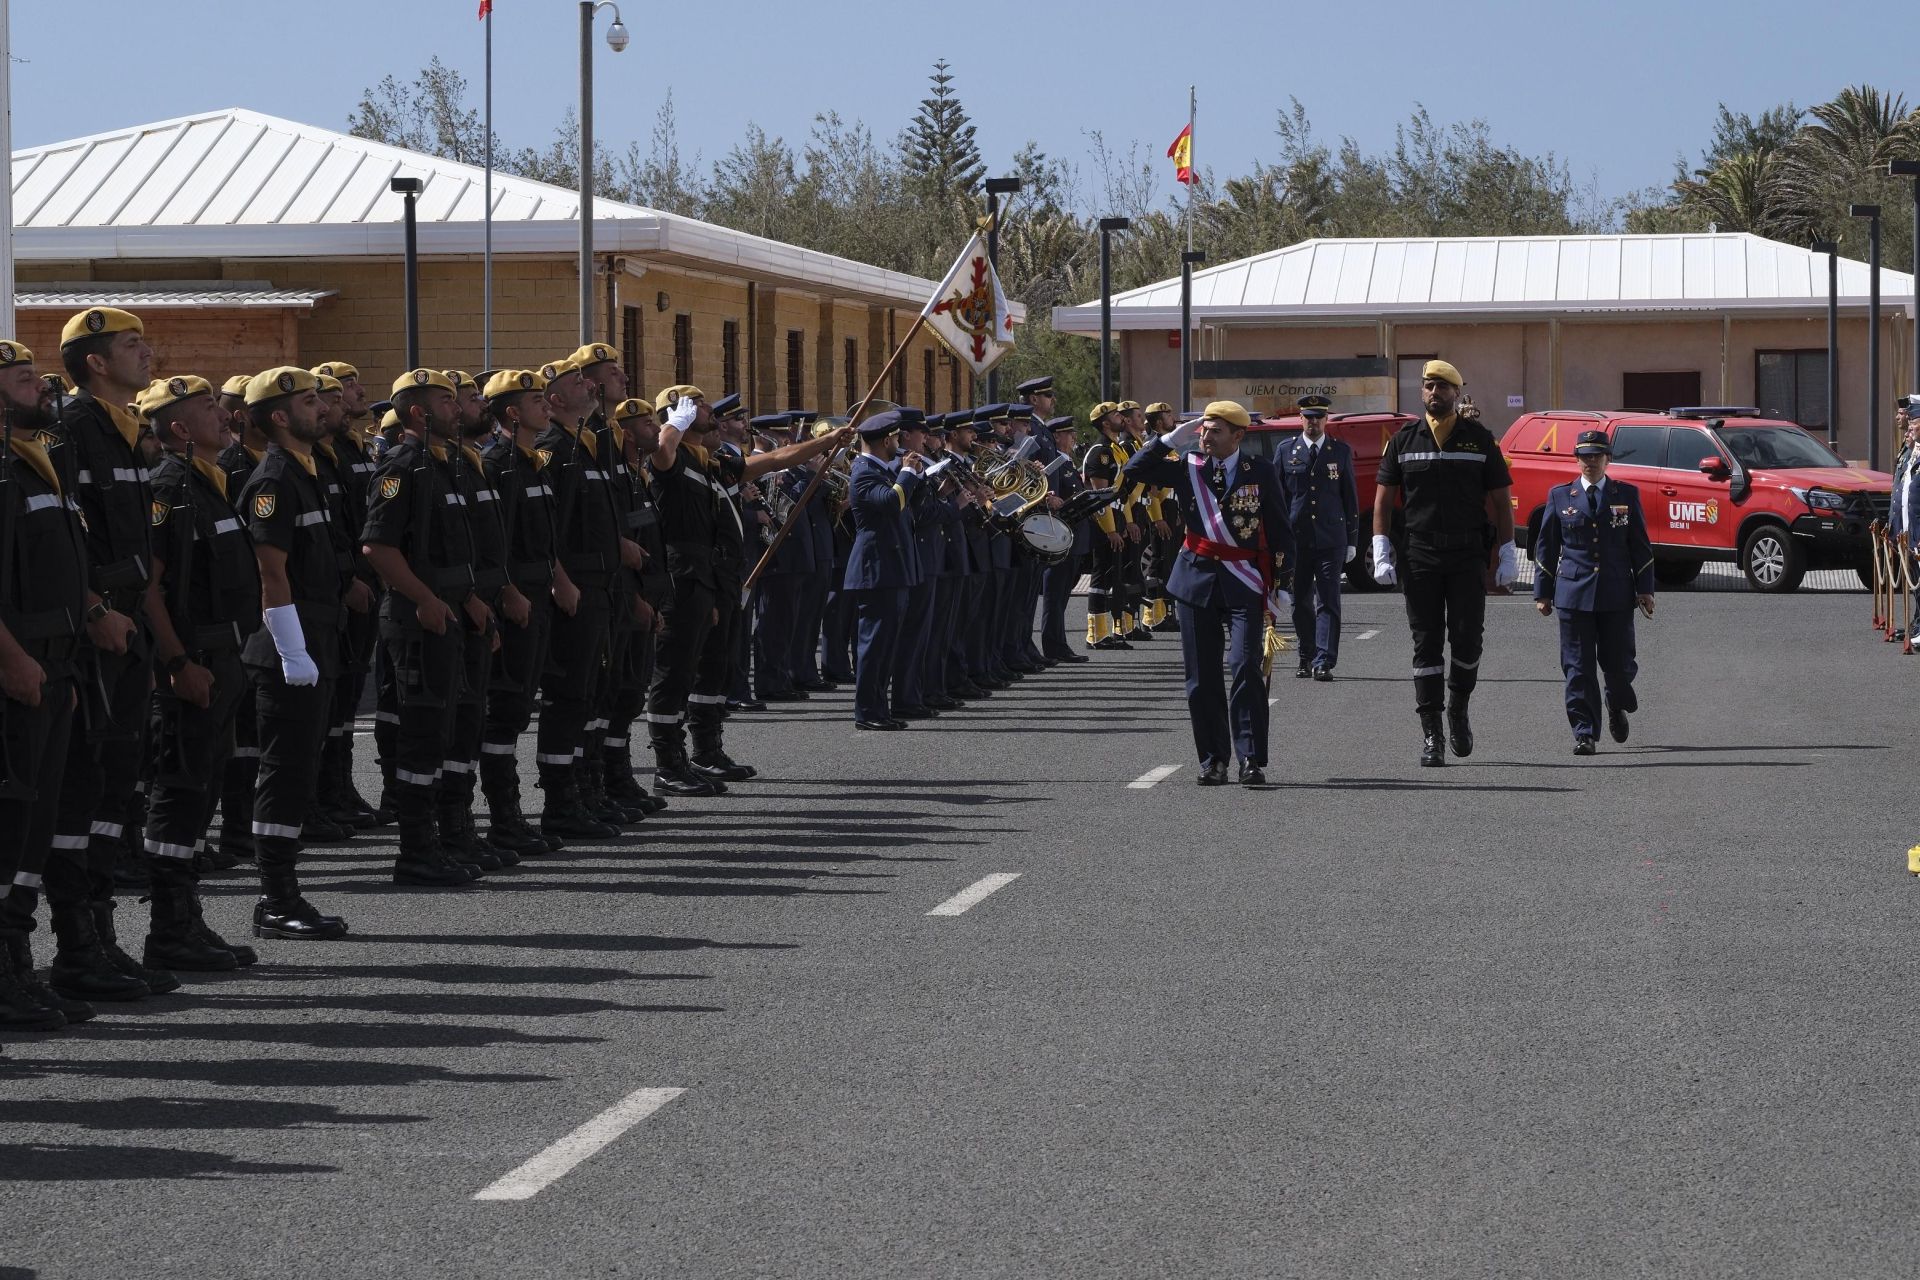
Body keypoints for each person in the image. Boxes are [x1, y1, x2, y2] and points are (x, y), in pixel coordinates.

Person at [46, 307, 174, 999]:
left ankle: (101, 934)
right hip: (97, 628)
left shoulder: (126, 433)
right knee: (85, 781)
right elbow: (69, 543)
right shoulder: (73, 432)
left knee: (116, 781)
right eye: (131, 345)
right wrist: (96, 610)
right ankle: (75, 946)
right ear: (95, 361)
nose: (146, 354)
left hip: (130, 622)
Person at [138, 374, 262, 970]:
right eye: (208, 409)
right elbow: (150, 586)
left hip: (224, 661)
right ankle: (168, 928)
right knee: (180, 793)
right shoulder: (169, 487)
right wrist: (176, 661)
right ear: (180, 428)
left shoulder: (209, 483)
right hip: (193, 667)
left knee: (203, 792)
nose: (223, 415)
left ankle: (187, 918)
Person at [360, 370, 491, 886]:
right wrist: (426, 600)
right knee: (420, 735)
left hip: (451, 613)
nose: (458, 408)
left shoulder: (445, 465)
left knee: (443, 732)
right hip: (417, 619)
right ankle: (414, 850)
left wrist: (472, 600)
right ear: (419, 411)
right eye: (446, 400)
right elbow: (378, 546)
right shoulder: (403, 466)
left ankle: (438, 839)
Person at [0, 339, 98, 1028]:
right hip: (21, 668)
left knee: (37, 826)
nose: (42, 387)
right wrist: (12, 659)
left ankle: (17, 965)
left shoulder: (37, 466)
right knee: (10, 826)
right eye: (24, 378)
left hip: (58, 662)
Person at [235, 366, 351, 940]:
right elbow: (268, 569)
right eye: (310, 401)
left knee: (299, 771)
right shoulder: (275, 478)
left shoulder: (308, 471)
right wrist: (291, 648)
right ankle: (276, 899)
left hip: (315, 637)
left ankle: (284, 894)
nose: (323, 408)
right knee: (283, 772)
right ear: (280, 417)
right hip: (289, 644)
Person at [1124, 403, 1293, 785]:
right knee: (1201, 677)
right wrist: (1167, 440)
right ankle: (1214, 759)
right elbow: (1134, 470)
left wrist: (1284, 584)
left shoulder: (1260, 472)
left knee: (1246, 665)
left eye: (1215, 431)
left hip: (1243, 579)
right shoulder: (1188, 467)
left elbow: (1281, 530)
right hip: (1195, 579)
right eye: (1203, 429)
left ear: (1238, 436)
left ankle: (1251, 759)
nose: (1205, 436)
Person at [1370, 359, 1517, 767]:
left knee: (1468, 639)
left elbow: (1502, 501)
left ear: (1456, 392)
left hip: (1468, 554)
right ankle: (1432, 731)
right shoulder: (1403, 440)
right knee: (1426, 643)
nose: (1434, 393)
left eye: (1442, 387)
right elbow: (1384, 498)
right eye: (1428, 386)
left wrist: (1507, 552)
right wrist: (1381, 546)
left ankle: (1459, 708)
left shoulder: (1479, 439)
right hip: (1420, 555)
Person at [476, 369, 566, 856]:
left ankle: (512, 817)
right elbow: (496, 543)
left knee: (516, 711)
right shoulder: (500, 465)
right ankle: (503, 818)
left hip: (539, 594)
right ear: (512, 412)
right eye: (535, 400)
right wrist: (508, 591)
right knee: (504, 709)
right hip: (516, 601)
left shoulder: (532, 462)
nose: (544, 405)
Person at [1533, 430, 1656, 755]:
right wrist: (1542, 593)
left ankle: (1616, 702)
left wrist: (1645, 588)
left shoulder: (1626, 494)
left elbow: (1640, 546)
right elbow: (1546, 547)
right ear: (1576, 459)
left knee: (1619, 665)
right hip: (1573, 595)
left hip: (1616, 593)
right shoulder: (1561, 496)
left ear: (1608, 459)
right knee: (1577, 666)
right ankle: (1584, 732)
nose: (1590, 462)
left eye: (1596, 456)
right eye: (1585, 456)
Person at [843, 409, 926, 729]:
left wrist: (913, 476)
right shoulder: (864, 471)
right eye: (894, 438)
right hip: (876, 568)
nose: (898, 444)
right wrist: (906, 474)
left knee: (886, 645)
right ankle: (867, 711)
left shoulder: (881, 468)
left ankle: (879, 708)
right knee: (874, 645)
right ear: (884, 440)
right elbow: (891, 504)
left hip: (892, 566)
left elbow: (905, 508)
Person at [1277, 395, 1359, 680]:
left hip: (1330, 538)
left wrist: (1352, 540)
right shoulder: (1286, 450)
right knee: (1300, 601)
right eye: (1308, 417)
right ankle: (1306, 654)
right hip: (1297, 538)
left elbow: (1350, 497)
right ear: (1300, 419)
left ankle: (1324, 660)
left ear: (1326, 420)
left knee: (1328, 600)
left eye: (1318, 417)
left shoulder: (1340, 451)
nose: (1313, 422)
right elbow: (1278, 500)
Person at [1038, 414, 1093, 664]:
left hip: (1074, 537)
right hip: (1060, 537)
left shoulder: (1067, 462)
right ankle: (1053, 645)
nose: (1073, 438)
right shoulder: (1055, 464)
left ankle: (1060, 643)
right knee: (1054, 595)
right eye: (1069, 434)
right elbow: (1052, 498)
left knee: (1062, 595)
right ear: (1057, 436)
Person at [1081, 403, 1130, 650]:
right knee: (1101, 575)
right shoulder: (1100, 451)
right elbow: (1101, 493)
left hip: (1117, 515)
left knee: (1114, 575)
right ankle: (1095, 634)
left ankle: (1110, 630)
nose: (1121, 417)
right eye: (1115, 415)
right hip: (1103, 519)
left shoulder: (1114, 449)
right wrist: (1110, 529)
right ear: (1105, 423)